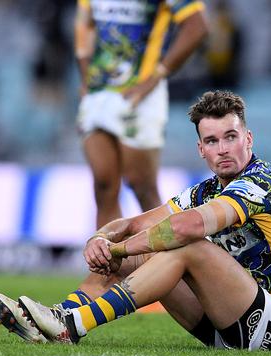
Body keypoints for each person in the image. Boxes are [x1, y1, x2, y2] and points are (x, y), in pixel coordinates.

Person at [0, 91, 271, 351]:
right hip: (224, 325)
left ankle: (72, 326)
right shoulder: (207, 190)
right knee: (143, 250)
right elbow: (132, 224)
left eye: (231, 137)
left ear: (248, 139)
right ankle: (58, 316)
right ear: (201, 149)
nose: (223, 149)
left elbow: (187, 228)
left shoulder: (261, 183)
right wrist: (101, 240)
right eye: (212, 141)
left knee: (187, 247)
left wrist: (119, 250)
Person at [74, 0, 208, 229]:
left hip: (140, 97)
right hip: (98, 94)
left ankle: (171, 261)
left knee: (142, 187)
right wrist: (85, 73)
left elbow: (197, 26)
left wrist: (156, 77)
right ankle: (108, 262)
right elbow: (84, 21)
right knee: (103, 185)